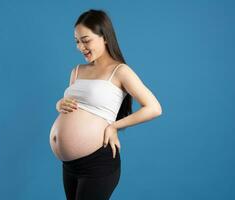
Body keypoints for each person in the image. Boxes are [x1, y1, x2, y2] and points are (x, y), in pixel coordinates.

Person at [55, 9, 162, 200]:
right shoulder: (77, 70)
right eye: (77, 41)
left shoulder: (120, 71)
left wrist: (114, 126)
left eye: (86, 40)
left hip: (98, 163)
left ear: (104, 37)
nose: (80, 47)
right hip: (70, 166)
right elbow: (76, 104)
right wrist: (60, 104)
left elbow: (154, 108)